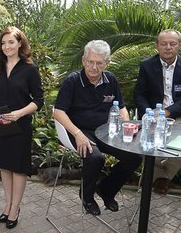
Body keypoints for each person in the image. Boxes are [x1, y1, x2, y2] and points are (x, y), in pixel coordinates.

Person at [53, 40, 142, 216]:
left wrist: (125, 125)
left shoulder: (111, 79)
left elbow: (121, 106)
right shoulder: (72, 81)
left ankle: (106, 190)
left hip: (105, 131)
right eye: (90, 62)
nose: (94, 67)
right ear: (84, 60)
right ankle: (86, 196)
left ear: (106, 63)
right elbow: (58, 112)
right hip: (78, 130)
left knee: (134, 157)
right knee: (95, 158)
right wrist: (77, 134)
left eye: (99, 63)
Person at [133, 29, 181, 193]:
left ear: (179, 45)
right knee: (145, 145)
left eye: (172, 44)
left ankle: (163, 175)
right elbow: (139, 94)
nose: (168, 47)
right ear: (157, 46)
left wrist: (167, 112)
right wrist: (149, 113)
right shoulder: (147, 65)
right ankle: (159, 177)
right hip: (154, 118)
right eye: (164, 44)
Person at [0, 27, 44, 229]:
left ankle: (15, 207)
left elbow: (39, 100)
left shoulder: (30, 69)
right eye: (3, 43)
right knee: (4, 166)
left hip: (20, 127)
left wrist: (19, 113)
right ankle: (8, 203)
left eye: (11, 42)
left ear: (20, 43)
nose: (7, 46)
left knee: (18, 168)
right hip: (1, 127)